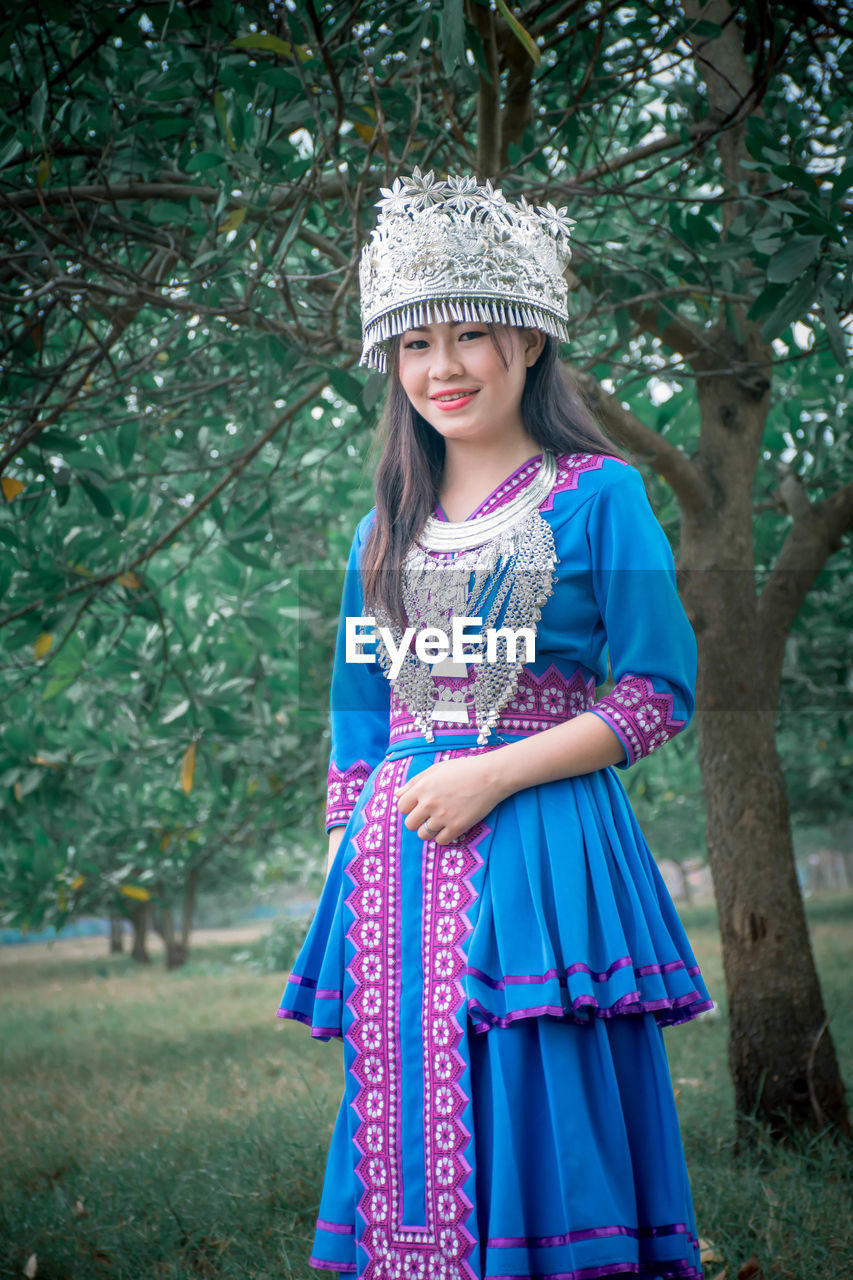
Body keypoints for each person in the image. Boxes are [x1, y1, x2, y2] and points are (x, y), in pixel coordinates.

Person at [277, 168, 712, 1280]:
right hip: (396, 866)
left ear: (529, 343)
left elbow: (657, 689)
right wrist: (350, 868)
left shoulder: (599, 493)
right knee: (401, 1119)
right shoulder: (382, 524)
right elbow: (358, 715)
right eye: (415, 345)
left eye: (471, 336)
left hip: (546, 844)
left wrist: (492, 774)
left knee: (536, 1090)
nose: (444, 368)